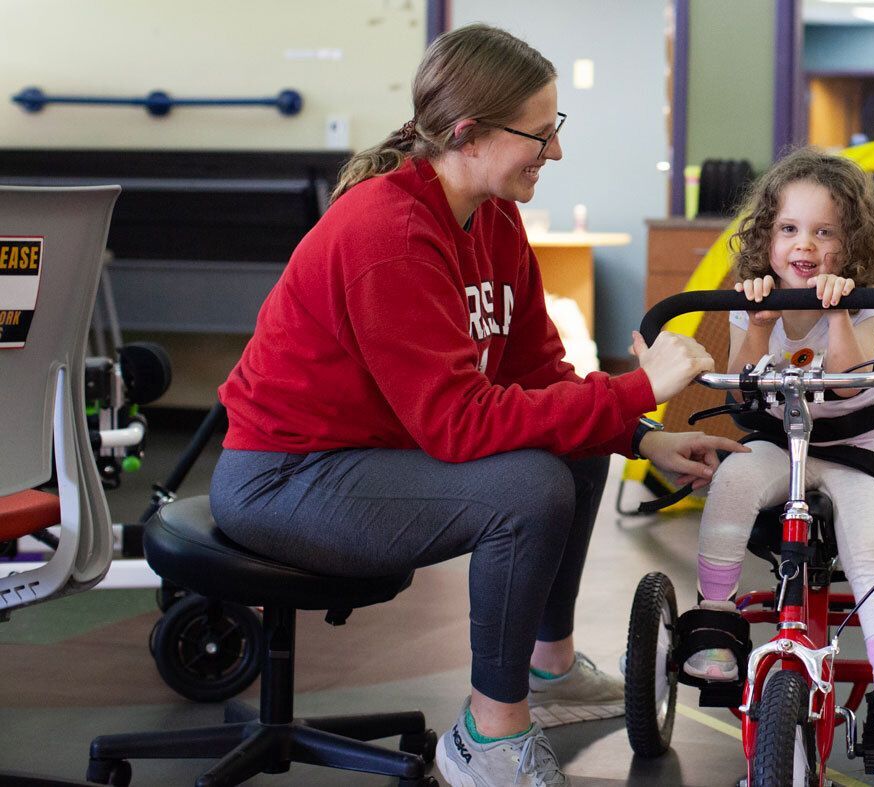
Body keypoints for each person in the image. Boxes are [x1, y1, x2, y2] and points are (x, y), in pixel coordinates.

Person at [209, 23, 744, 787]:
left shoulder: (492, 216)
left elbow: (538, 369)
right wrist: (634, 384)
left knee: (578, 439)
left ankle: (550, 668)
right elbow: (457, 425)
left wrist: (637, 431)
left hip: (370, 454)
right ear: (468, 133)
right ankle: (485, 737)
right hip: (284, 478)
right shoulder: (387, 232)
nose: (554, 151)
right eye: (541, 131)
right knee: (527, 489)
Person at [682, 148, 874, 734]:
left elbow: (849, 382)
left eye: (825, 233)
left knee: (870, 543)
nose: (806, 246)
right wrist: (763, 326)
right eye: (790, 229)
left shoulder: (864, 301)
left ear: (849, 246)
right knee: (731, 483)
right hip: (779, 442)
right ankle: (715, 624)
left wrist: (842, 313)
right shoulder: (750, 301)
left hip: (855, 454)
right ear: (767, 237)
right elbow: (743, 388)